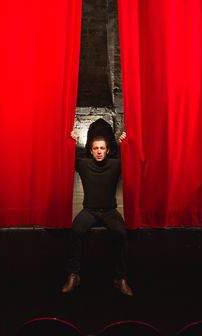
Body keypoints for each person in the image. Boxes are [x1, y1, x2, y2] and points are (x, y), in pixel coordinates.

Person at [61, 119, 133, 296]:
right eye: (96, 148)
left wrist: (126, 143)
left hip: (109, 211)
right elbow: (64, 157)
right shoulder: (84, 164)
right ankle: (73, 275)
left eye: (102, 148)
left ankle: (120, 278)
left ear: (107, 150)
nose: (99, 152)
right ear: (91, 150)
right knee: (75, 231)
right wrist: (70, 141)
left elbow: (133, 159)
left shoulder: (116, 165)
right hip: (90, 211)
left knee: (121, 234)